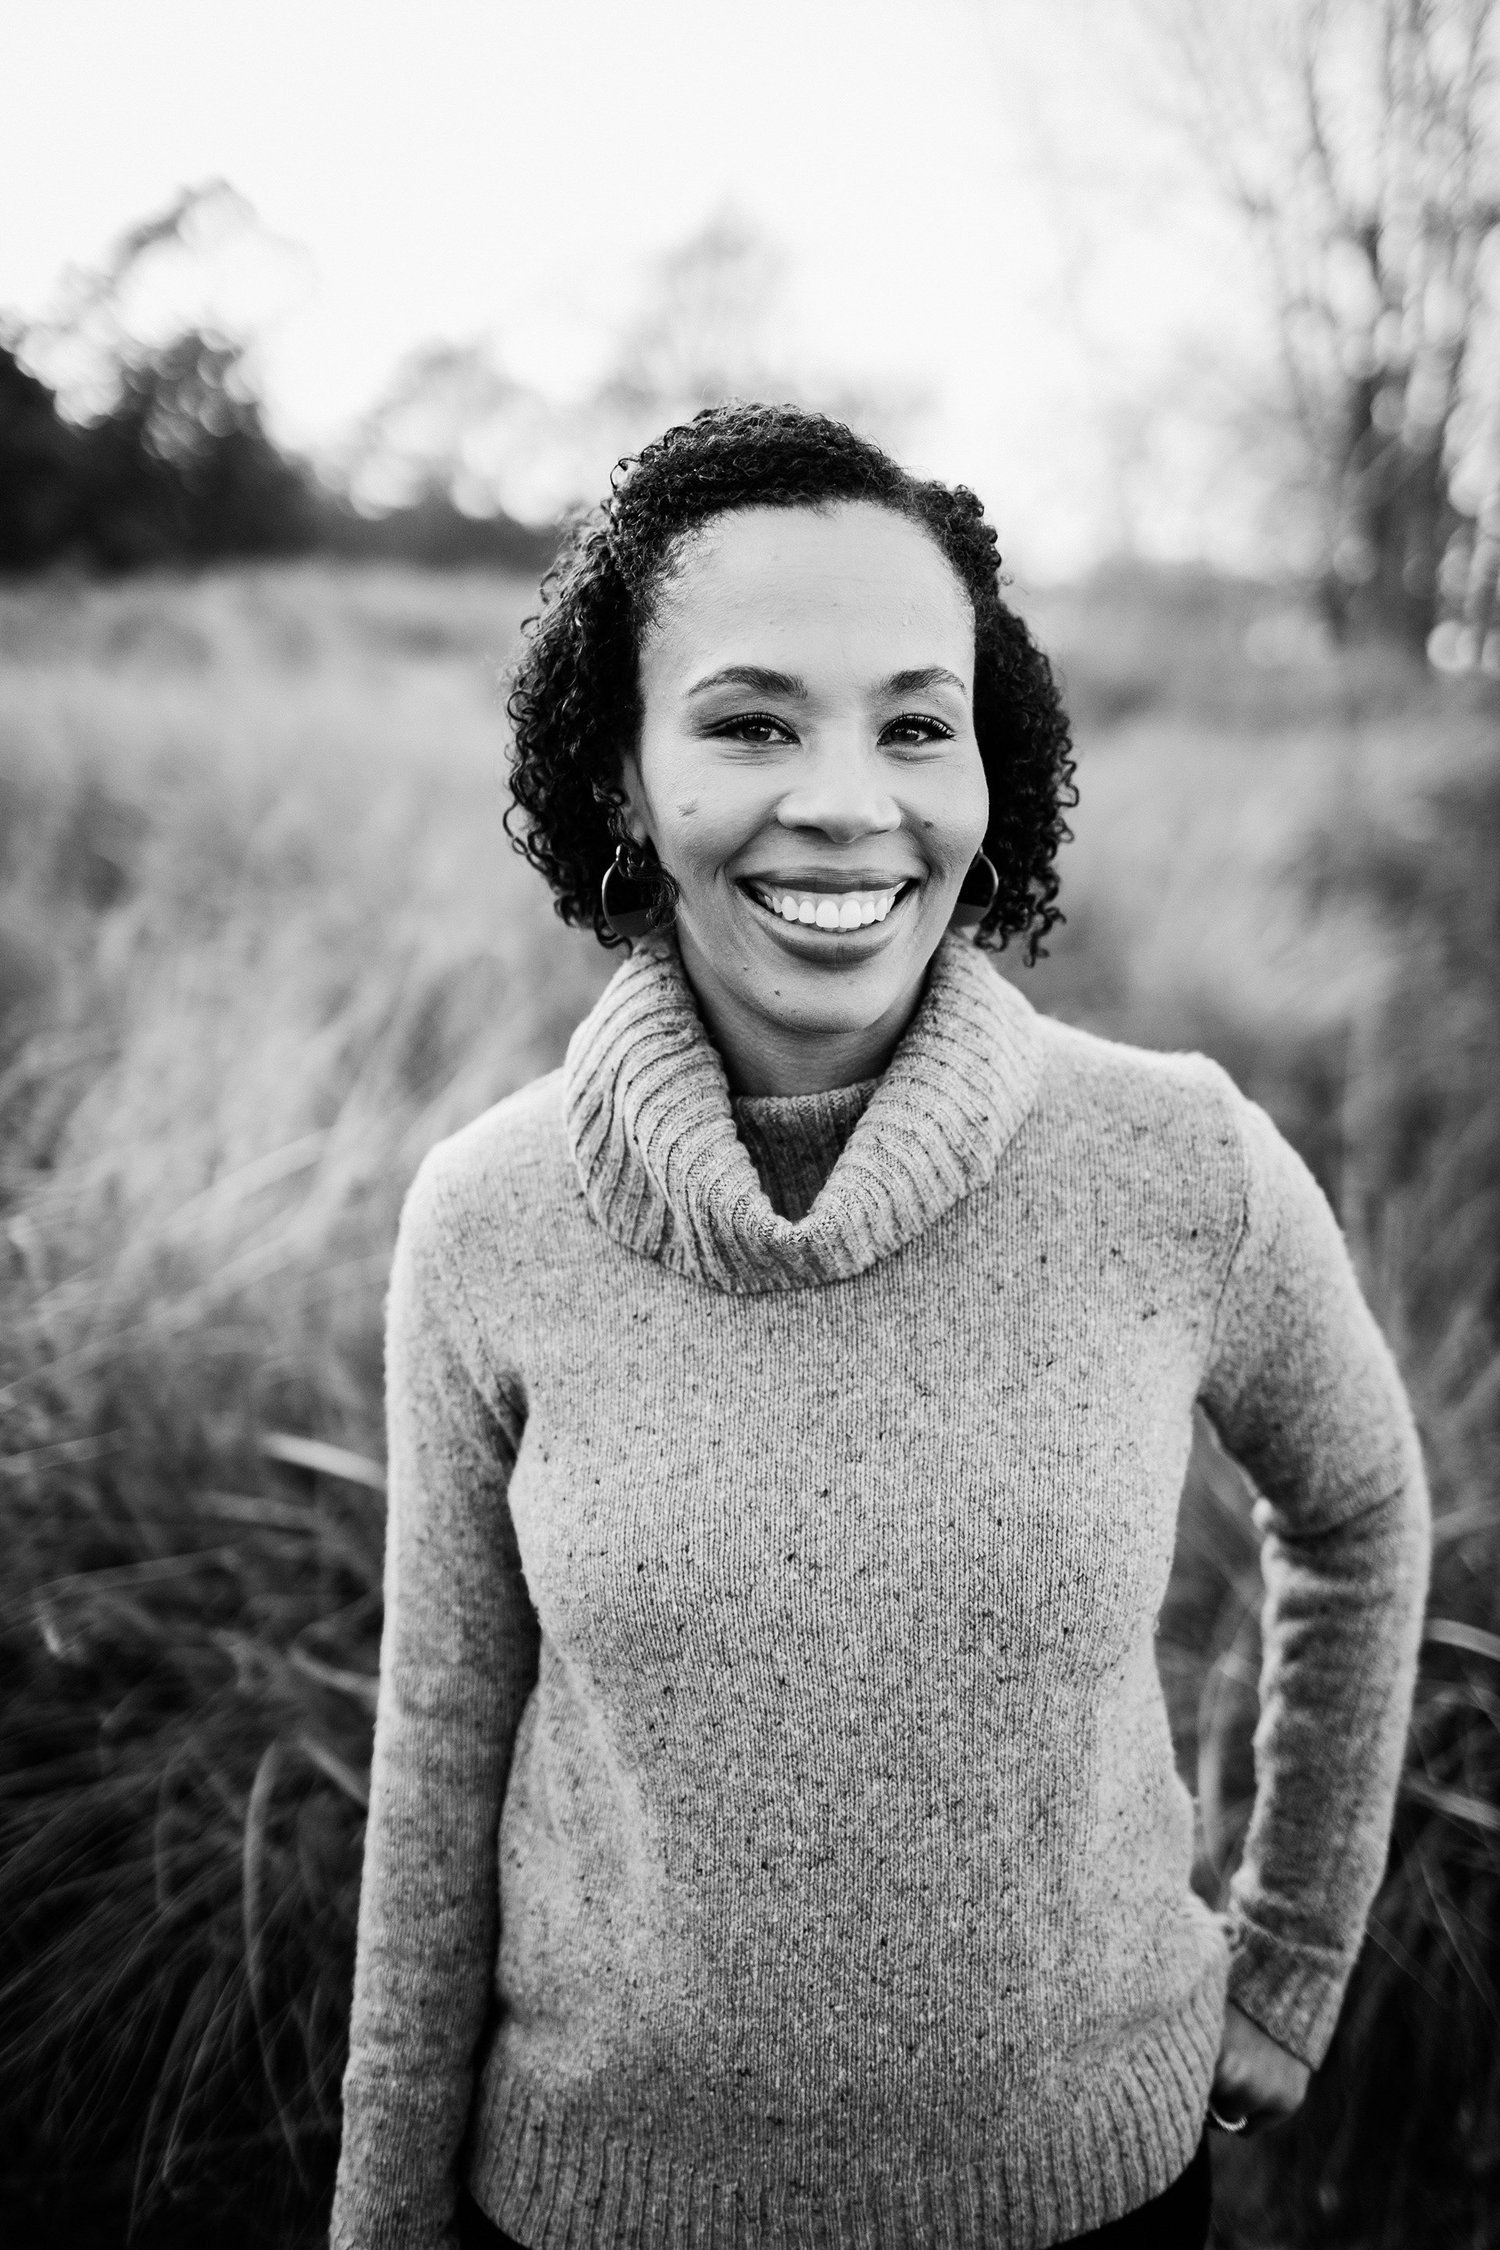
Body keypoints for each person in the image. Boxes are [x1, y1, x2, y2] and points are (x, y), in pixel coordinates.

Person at [329, 403, 1431, 2250]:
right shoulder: (489, 1219)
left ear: (990, 765)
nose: (850, 799)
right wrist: (380, 2210)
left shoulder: (1178, 1161)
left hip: (1092, 2203)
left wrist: (1295, 1953)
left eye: (918, 722)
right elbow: (441, 1745)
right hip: (596, 2212)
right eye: (752, 720)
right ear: (620, 773)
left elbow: (1362, 1512)